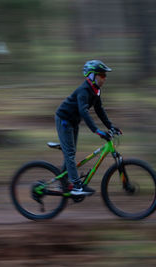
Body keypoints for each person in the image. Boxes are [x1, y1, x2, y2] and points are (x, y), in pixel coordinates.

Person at [55, 60, 122, 196]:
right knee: (70, 154)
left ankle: (63, 182)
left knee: (70, 152)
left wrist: (111, 126)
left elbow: (99, 110)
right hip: (64, 120)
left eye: (105, 75)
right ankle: (76, 186)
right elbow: (83, 111)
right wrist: (96, 131)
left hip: (73, 122)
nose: (104, 78)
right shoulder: (84, 91)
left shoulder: (96, 91)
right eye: (102, 75)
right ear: (92, 76)